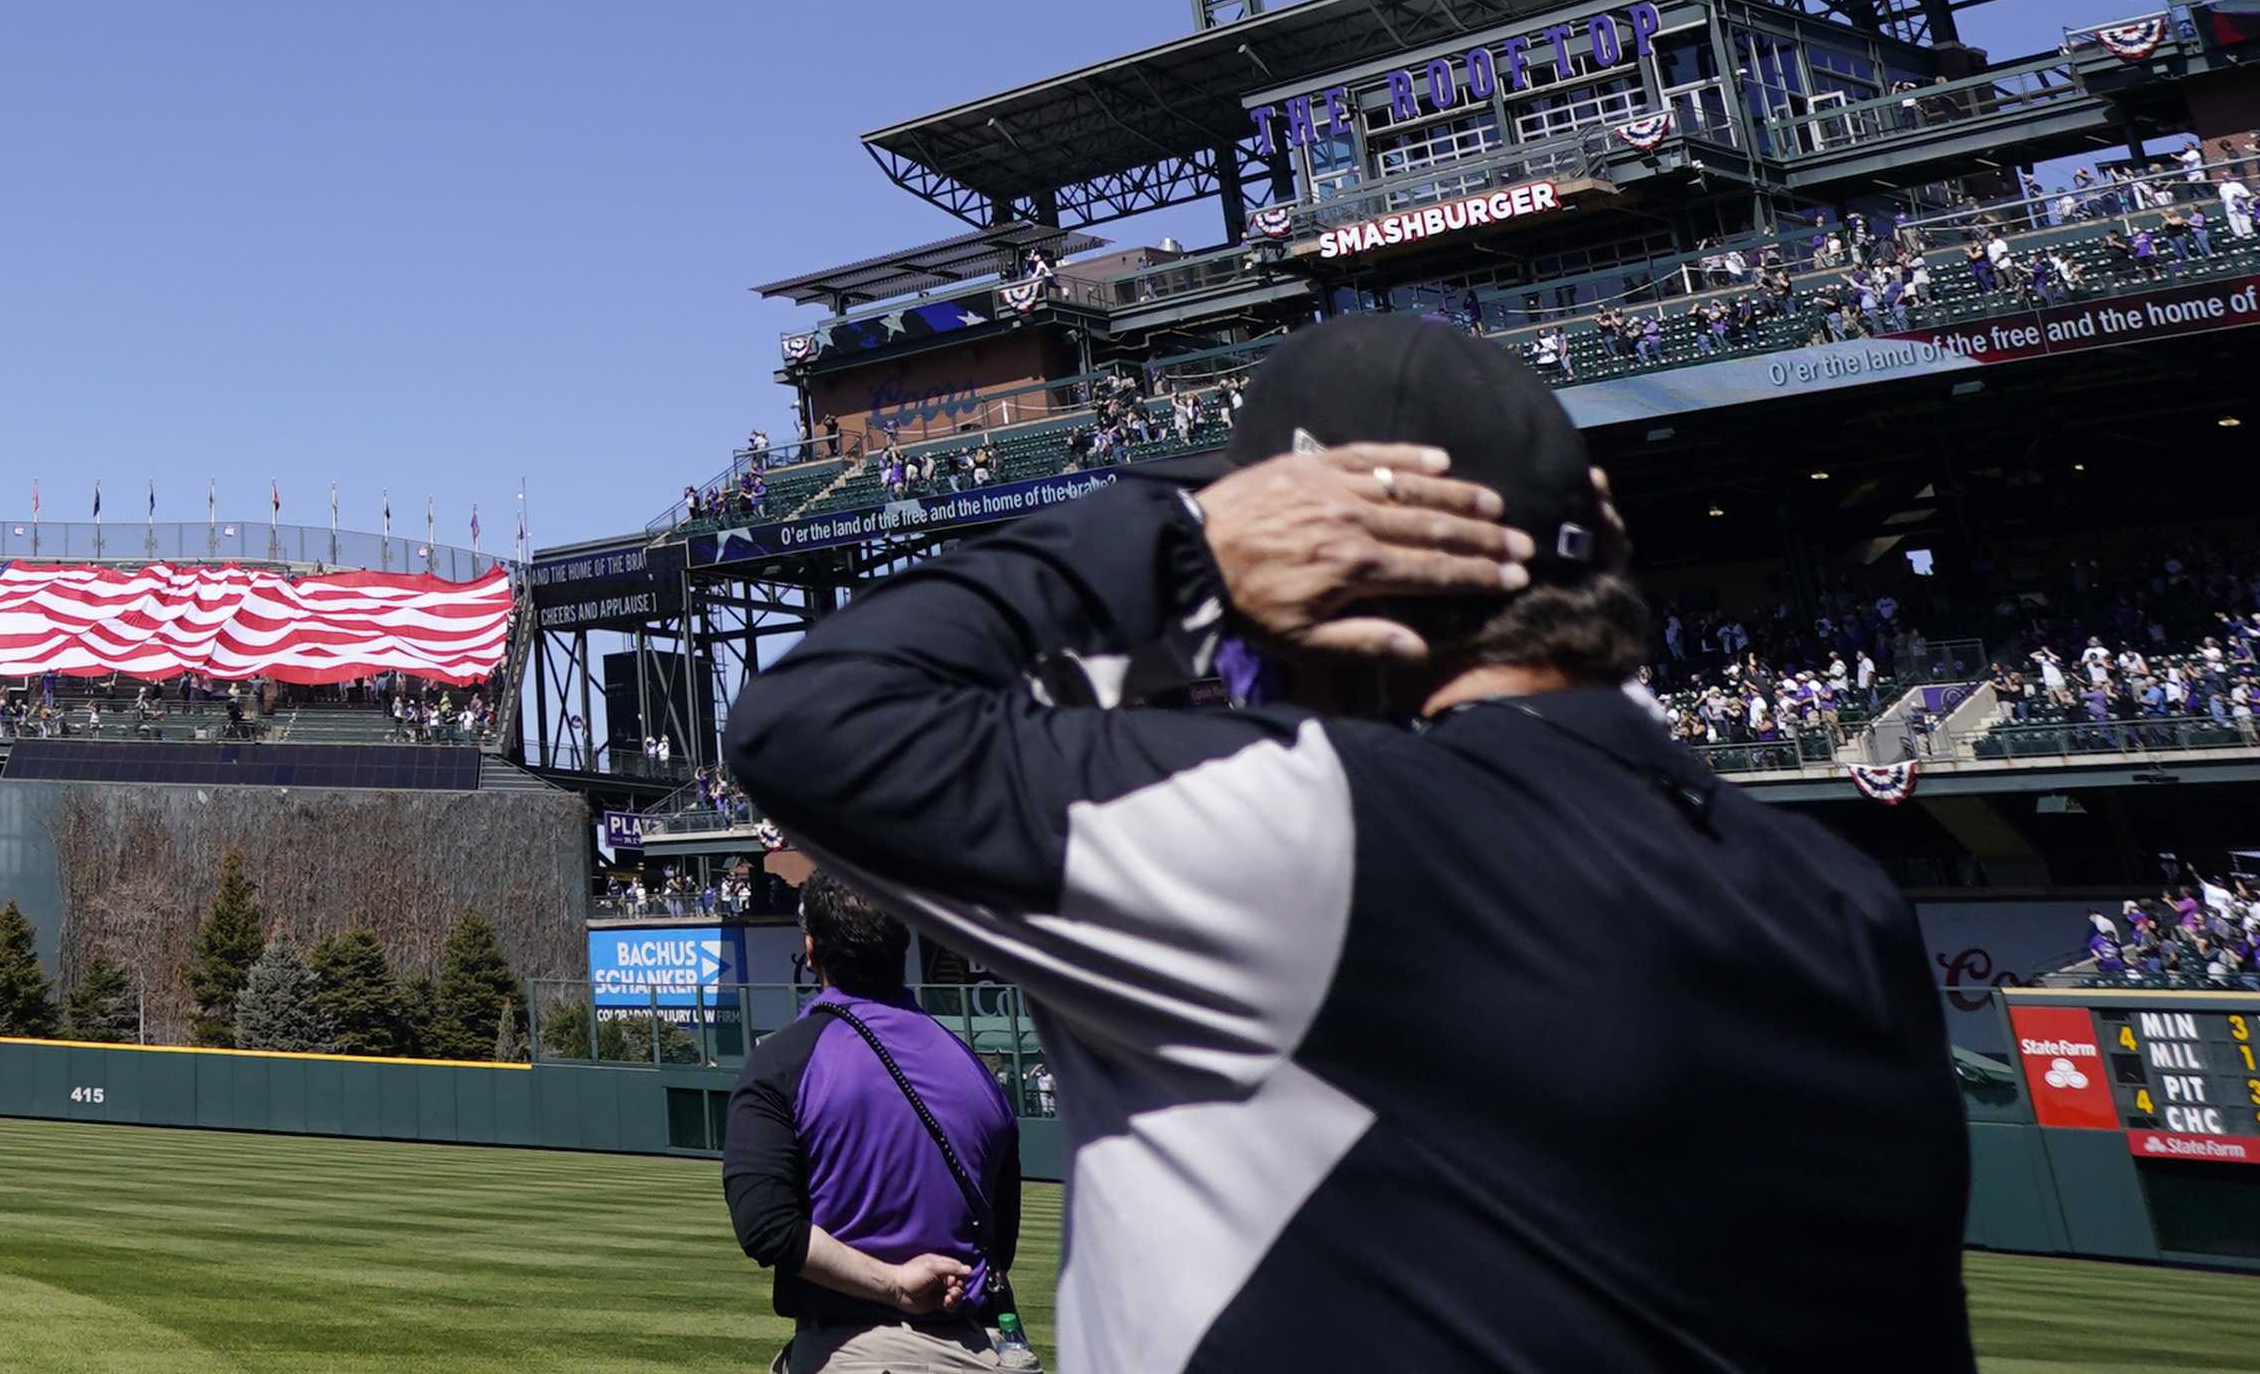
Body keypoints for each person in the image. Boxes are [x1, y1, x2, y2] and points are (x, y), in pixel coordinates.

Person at [725, 315, 1968, 1374]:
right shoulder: (1840, 898)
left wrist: (1180, 541)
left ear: (1323, 565)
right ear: (1598, 529)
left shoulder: (1312, 829)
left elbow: (812, 724)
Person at [724, 870, 1029, 1372]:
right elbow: (1001, 1242)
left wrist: (894, 1284)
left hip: (862, 1350)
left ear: (811, 949)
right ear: (899, 948)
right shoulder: (973, 1067)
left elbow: (767, 1227)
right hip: (986, 1350)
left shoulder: (784, 1060)